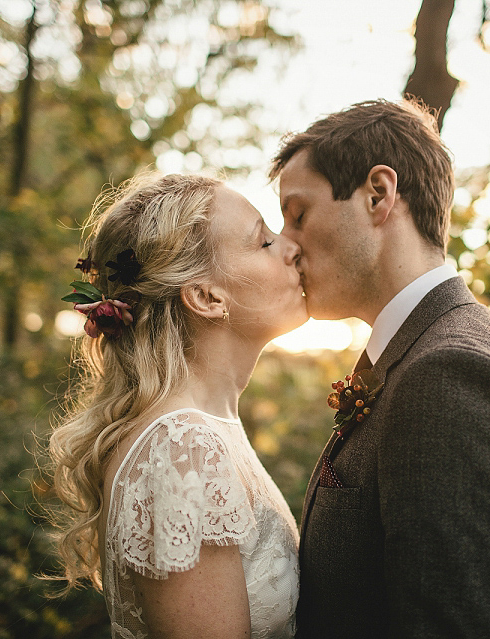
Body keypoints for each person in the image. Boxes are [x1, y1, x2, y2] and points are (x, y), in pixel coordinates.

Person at [269, 99, 490, 638]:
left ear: (378, 195)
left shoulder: (451, 376)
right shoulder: (420, 354)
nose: (286, 246)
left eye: (298, 214)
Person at [47, 172, 307, 639]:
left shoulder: (196, 432)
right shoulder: (181, 449)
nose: (292, 246)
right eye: (264, 241)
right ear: (207, 297)